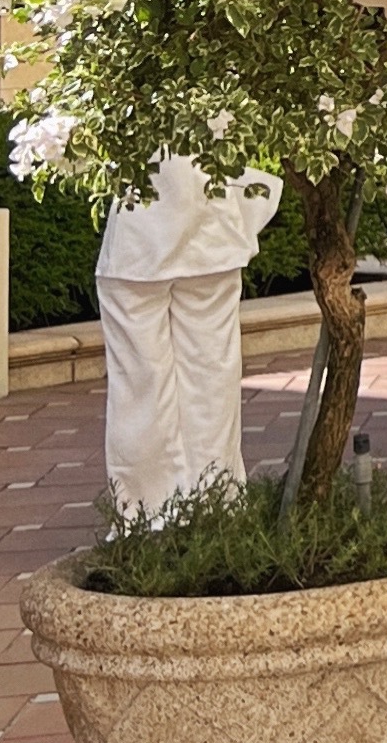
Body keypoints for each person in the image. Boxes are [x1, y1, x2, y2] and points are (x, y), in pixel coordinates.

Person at [95, 156, 282, 518]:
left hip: (139, 244)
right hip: (211, 232)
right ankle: (215, 503)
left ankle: (145, 512)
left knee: (140, 387)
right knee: (211, 380)